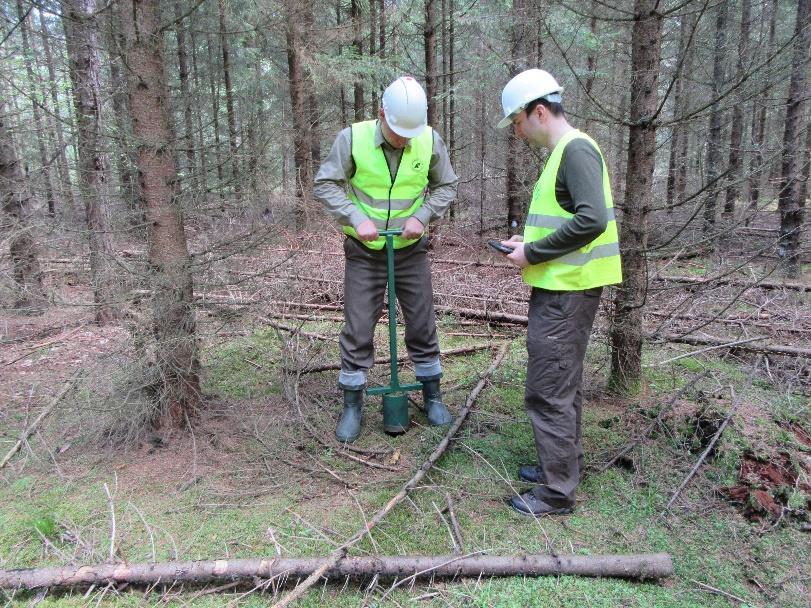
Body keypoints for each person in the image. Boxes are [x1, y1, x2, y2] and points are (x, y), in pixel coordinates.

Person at [496, 69, 622, 516]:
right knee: (560, 384)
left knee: (548, 388)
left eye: (517, 121)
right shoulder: (564, 153)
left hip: (568, 292)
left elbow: (592, 221)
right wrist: (526, 246)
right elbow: (567, 219)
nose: (517, 130)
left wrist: (534, 254)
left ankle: (556, 493)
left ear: (540, 111)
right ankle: (561, 466)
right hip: (562, 287)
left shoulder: (576, 150)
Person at [313, 76, 458, 443]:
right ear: (382, 115)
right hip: (365, 251)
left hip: (410, 250)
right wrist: (355, 218)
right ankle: (352, 404)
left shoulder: (427, 139)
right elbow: (325, 183)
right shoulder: (353, 138)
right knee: (359, 325)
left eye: (411, 133)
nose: (406, 140)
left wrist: (422, 216)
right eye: (398, 133)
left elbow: (447, 186)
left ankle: (432, 394)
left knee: (422, 320)